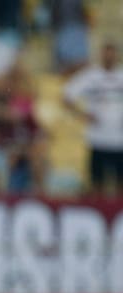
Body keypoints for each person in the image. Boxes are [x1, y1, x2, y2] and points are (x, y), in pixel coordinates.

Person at [63, 40, 123, 196]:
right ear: (101, 55)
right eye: (106, 54)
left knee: (120, 184)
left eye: (112, 54)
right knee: (97, 184)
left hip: (119, 140)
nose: (109, 57)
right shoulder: (90, 76)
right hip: (98, 139)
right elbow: (66, 97)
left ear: (116, 56)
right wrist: (82, 115)